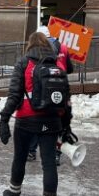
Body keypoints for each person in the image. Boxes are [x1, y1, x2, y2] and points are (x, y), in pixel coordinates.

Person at [0, 31, 75, 196]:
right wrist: (66, 126)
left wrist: (4, 118)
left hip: (26, 119)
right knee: (49, 165)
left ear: (29, 45)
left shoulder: (24, 63)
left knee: (20, 158)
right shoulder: (58, 66)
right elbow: (66, 102)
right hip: (52, 120)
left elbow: (14, 95)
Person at [27, 25, 74, 164]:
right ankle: (56, 154)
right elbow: (70, 68)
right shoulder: (63, 47)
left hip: (44, 88)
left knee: (39, 118)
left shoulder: (40, 49)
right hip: (61, 86)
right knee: (59, 122)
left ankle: (31, 151)